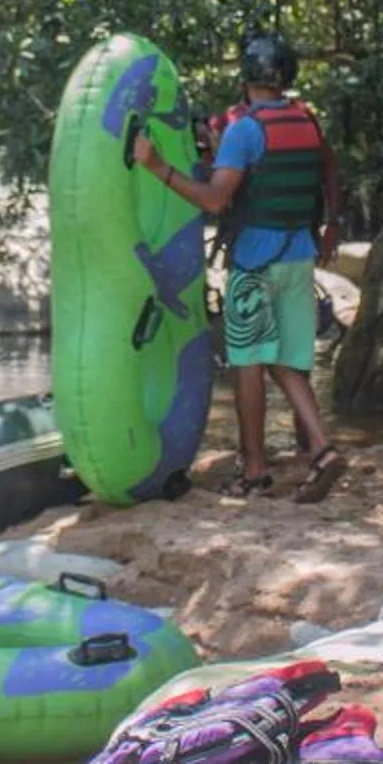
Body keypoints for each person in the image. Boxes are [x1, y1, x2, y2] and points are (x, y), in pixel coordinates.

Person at [135, 32, 346, 501]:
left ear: (246, 76)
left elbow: (214, 199)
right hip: (298, 257)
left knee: (248, 362)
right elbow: (313, 170)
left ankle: (253, 470)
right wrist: (332, 222)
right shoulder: (306, 121)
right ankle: (321, 449)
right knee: (287, 360)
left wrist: (157, 166)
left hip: (255, 263)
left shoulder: (245, 130)